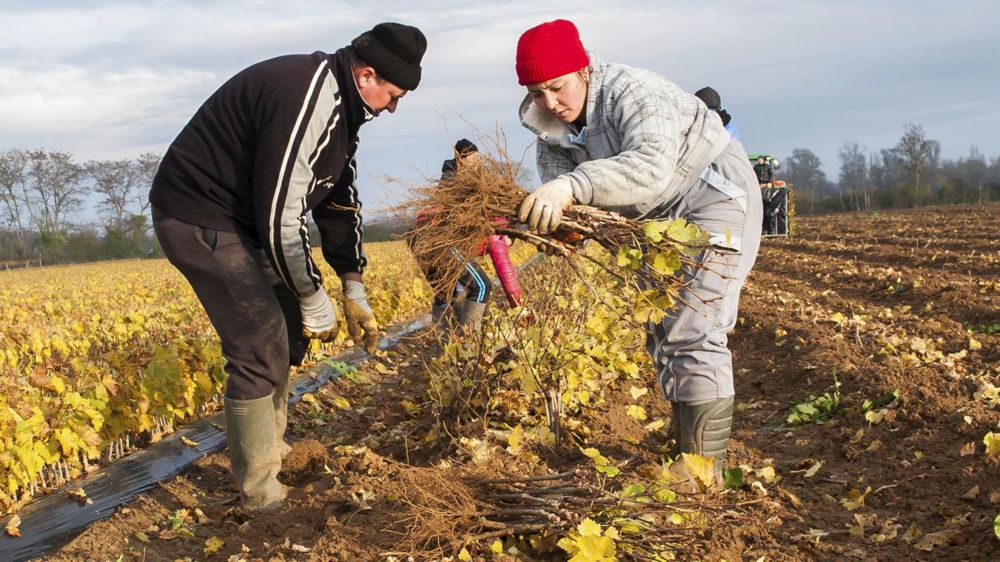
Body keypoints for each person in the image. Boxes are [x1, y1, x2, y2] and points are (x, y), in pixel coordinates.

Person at [148, 22, 427, 513]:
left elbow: (337, 199)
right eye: (394, 94)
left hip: (245, 222)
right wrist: (311, 291)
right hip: (201, 217)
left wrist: (352, 280)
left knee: (288, 333)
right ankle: (260, 493)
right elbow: (281, 213)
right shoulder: (308, 94)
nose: (393, 106)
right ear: (366, 75)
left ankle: (272, 452)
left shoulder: (347, 110)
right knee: (258, 343)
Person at [514, 19, 762, 480]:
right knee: (664, 327)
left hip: (711, 193)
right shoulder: (548, 125)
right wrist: (561, 224)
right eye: (536, 92)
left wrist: (575, 184)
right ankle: (686, 446)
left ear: (583, 69)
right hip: (654, 221)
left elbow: (649, 167)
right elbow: (560, 186)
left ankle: (702, 474)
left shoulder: (634, 92)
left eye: (556, 87)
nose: (550, 103)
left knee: (694, 327)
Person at [412, 139, 523, 331]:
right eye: (474, 157)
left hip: (420, 239)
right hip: (438, 239)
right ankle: (468, 342)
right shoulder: (494, 227)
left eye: (479, 158)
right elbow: (506, 271)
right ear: (460, 157)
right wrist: (518, 306)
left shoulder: (467, 186)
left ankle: (445, 342)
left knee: (445, 292)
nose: (478, 162)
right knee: (481, 286)